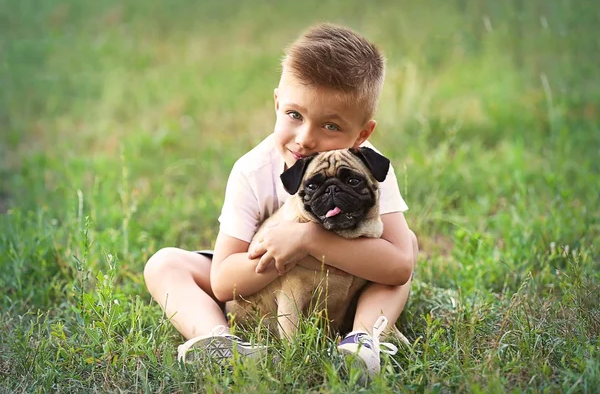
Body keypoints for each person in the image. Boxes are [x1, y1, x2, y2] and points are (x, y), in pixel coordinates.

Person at [144, 23, 418, 379]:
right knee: (165, 264)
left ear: (361, 135)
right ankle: (219, 342)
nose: (305, 139)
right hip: (264, 289)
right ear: (276, 103)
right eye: (294, 115)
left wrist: (307, 239)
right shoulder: (252, 171)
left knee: (406, 243)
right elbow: (224, 282)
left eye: (331, 127)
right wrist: (283, 251)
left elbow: (399, 266)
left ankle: (363, 341)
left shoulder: (365, 166)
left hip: (346, 291)